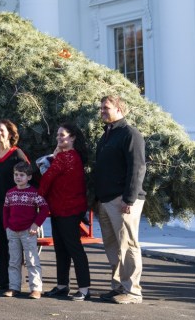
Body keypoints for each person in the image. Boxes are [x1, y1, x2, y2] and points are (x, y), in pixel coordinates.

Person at [94, 95, 146, 305]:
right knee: (113, 247)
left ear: (119, 108)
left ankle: (132, 291)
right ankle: (118, 287)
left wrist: (129, 198)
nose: (103, 111)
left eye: (106, 108)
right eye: (101, 108)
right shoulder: (107, 135)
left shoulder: (130, 134)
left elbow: (137, 167)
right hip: (105, 200)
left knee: (128, 245)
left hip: (123, 200)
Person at [39, 123, 91, 301]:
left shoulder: (65, 157)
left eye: (63, 135)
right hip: (60, 208)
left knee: (73, 248)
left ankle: (84, 289)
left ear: (73, 138)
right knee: (62, 248)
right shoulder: (70, 156)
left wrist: (36, 198)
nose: (59, 138)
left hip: (68, 209)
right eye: (58, 135)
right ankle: (62, 285)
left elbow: (47, 179)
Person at [0, 119, 31, 291]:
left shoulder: (17, 154)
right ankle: (2, 280)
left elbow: (28, 176)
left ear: (10, 133)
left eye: (2, 130)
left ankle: (14, 282)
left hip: (12, 206)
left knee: (13, 244)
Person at [2, 161, 49, 299]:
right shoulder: (10, 193)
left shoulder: (34, 193)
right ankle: (14, 287)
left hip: (28, 232)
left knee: (32, 260)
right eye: (16, 174)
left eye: (21, 175)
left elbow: (44, 208)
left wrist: (36, 224)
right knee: (14, 261)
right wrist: (6, 226)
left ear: (29, 177)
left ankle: (36, 288)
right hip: (12, 231)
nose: (18, 177)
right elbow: (5, 210)